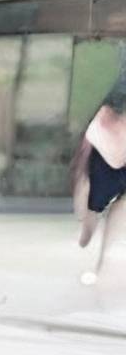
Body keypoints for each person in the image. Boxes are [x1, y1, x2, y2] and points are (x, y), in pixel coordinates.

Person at [72, 82, 126, 286]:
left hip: (117, 163)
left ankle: (101, 264)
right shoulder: (103, 120)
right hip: (102, 161)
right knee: (92, 214)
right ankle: (86, 235)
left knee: (119, 206)